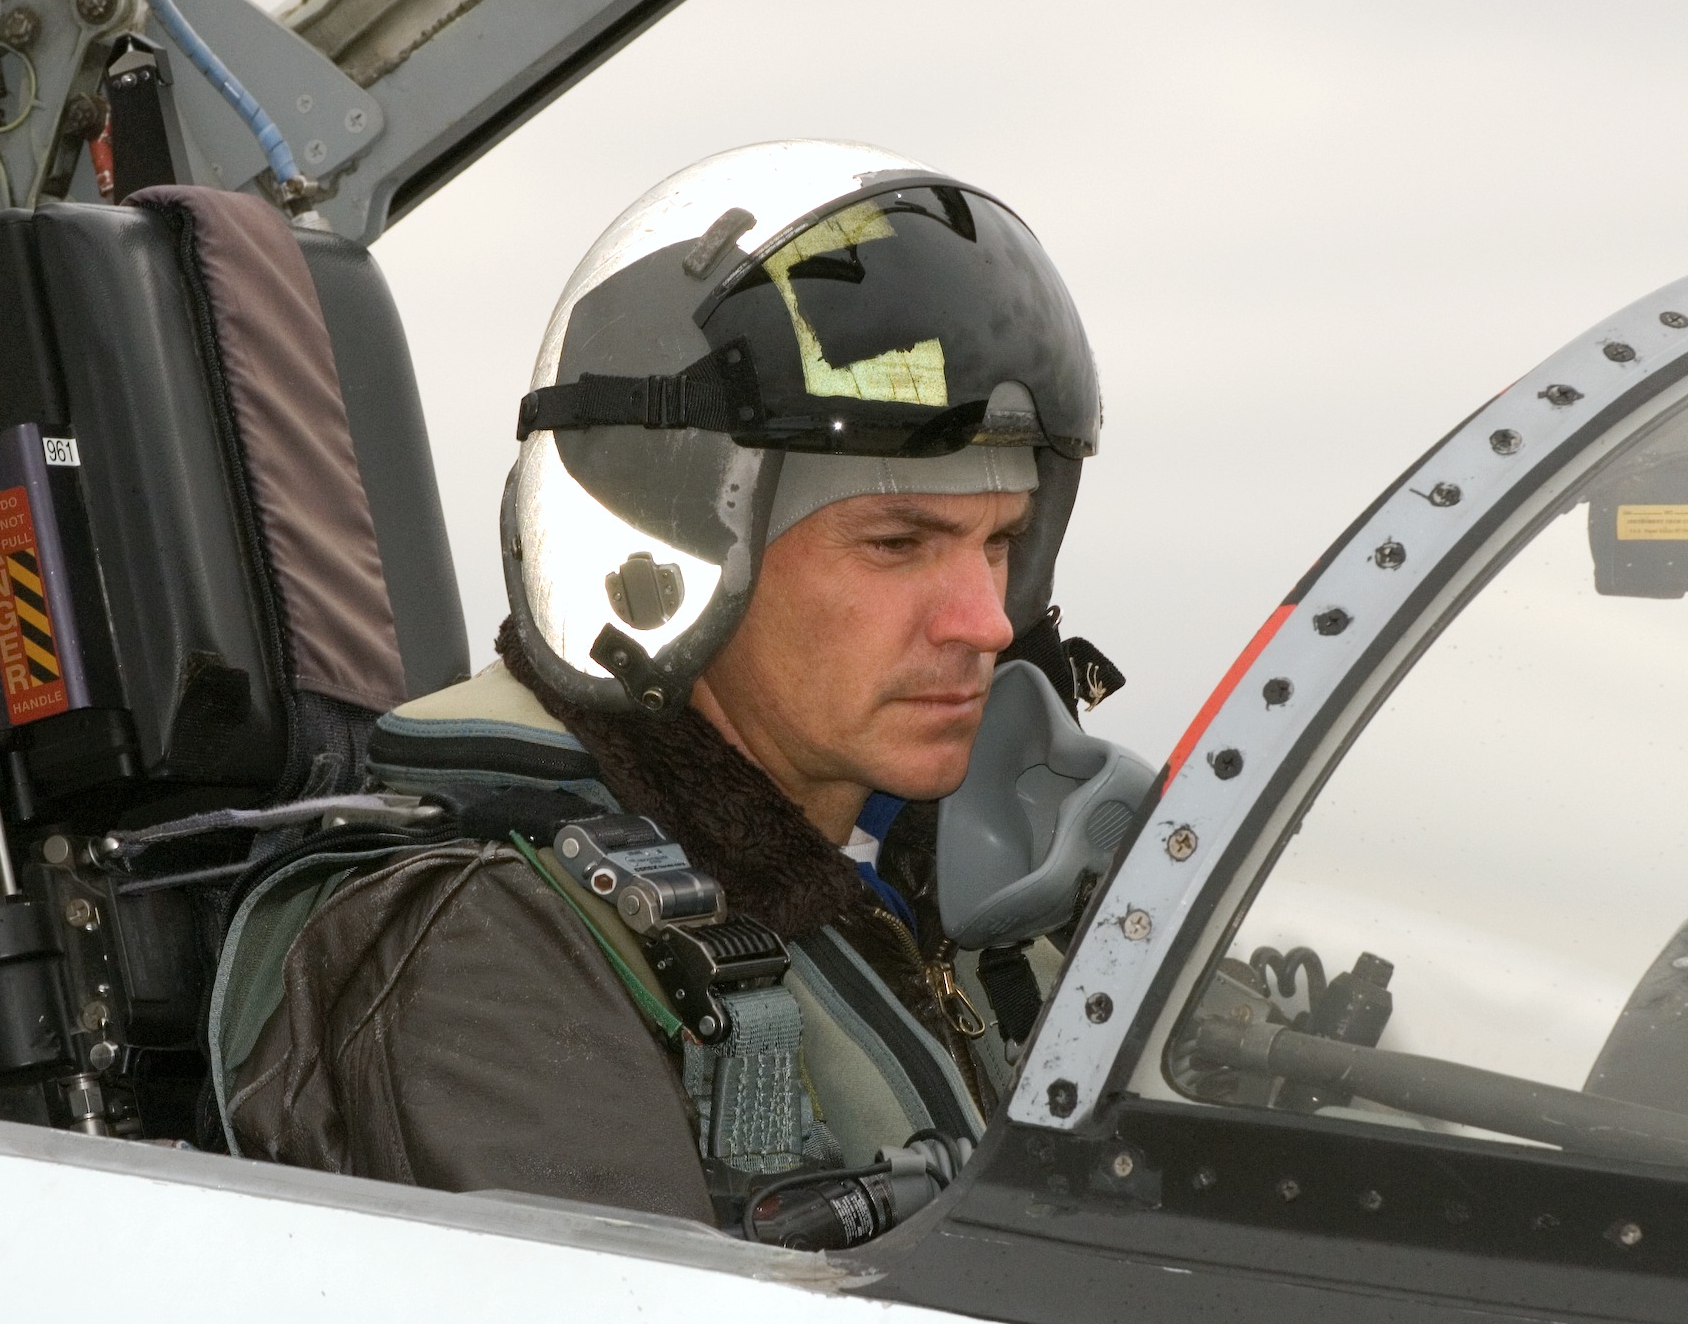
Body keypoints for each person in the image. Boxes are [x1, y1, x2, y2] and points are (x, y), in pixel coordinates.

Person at [220, 141, 1116, 1230]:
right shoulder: (476, 954)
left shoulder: (1008, 887)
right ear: (675, 557)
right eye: (897, 544)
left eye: (999, 544)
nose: (982, 620)